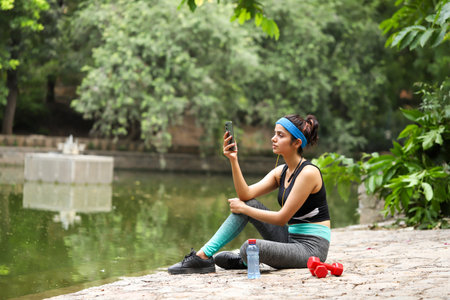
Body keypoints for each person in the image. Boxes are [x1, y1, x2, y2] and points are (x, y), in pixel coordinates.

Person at [168, 114, 330, 274]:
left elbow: (282, 218)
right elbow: (245, 195)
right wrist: (233, 159)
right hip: (289, 238)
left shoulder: (308, 173)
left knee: (249, 246)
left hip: (311, 249)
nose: (273, 138)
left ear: (297, 142)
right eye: (274, 133)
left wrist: (244, 209)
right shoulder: (282, 172)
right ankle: (203, 256)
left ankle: (246, 259)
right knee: (247, 207)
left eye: (280, 135)